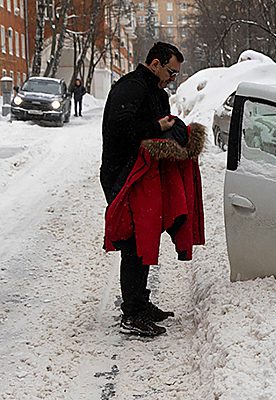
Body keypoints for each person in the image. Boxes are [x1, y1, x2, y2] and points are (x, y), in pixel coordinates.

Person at [100, 42, 188, 337]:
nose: (172, 78)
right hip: (122, 174)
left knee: (145, 235)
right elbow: (120, 130)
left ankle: (140, 302)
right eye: (171, 72)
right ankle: (132, 313)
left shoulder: (156, 93)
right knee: (133, 242)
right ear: (155, 63)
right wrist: (156, 127)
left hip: (144, 175)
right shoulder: (130, 88)